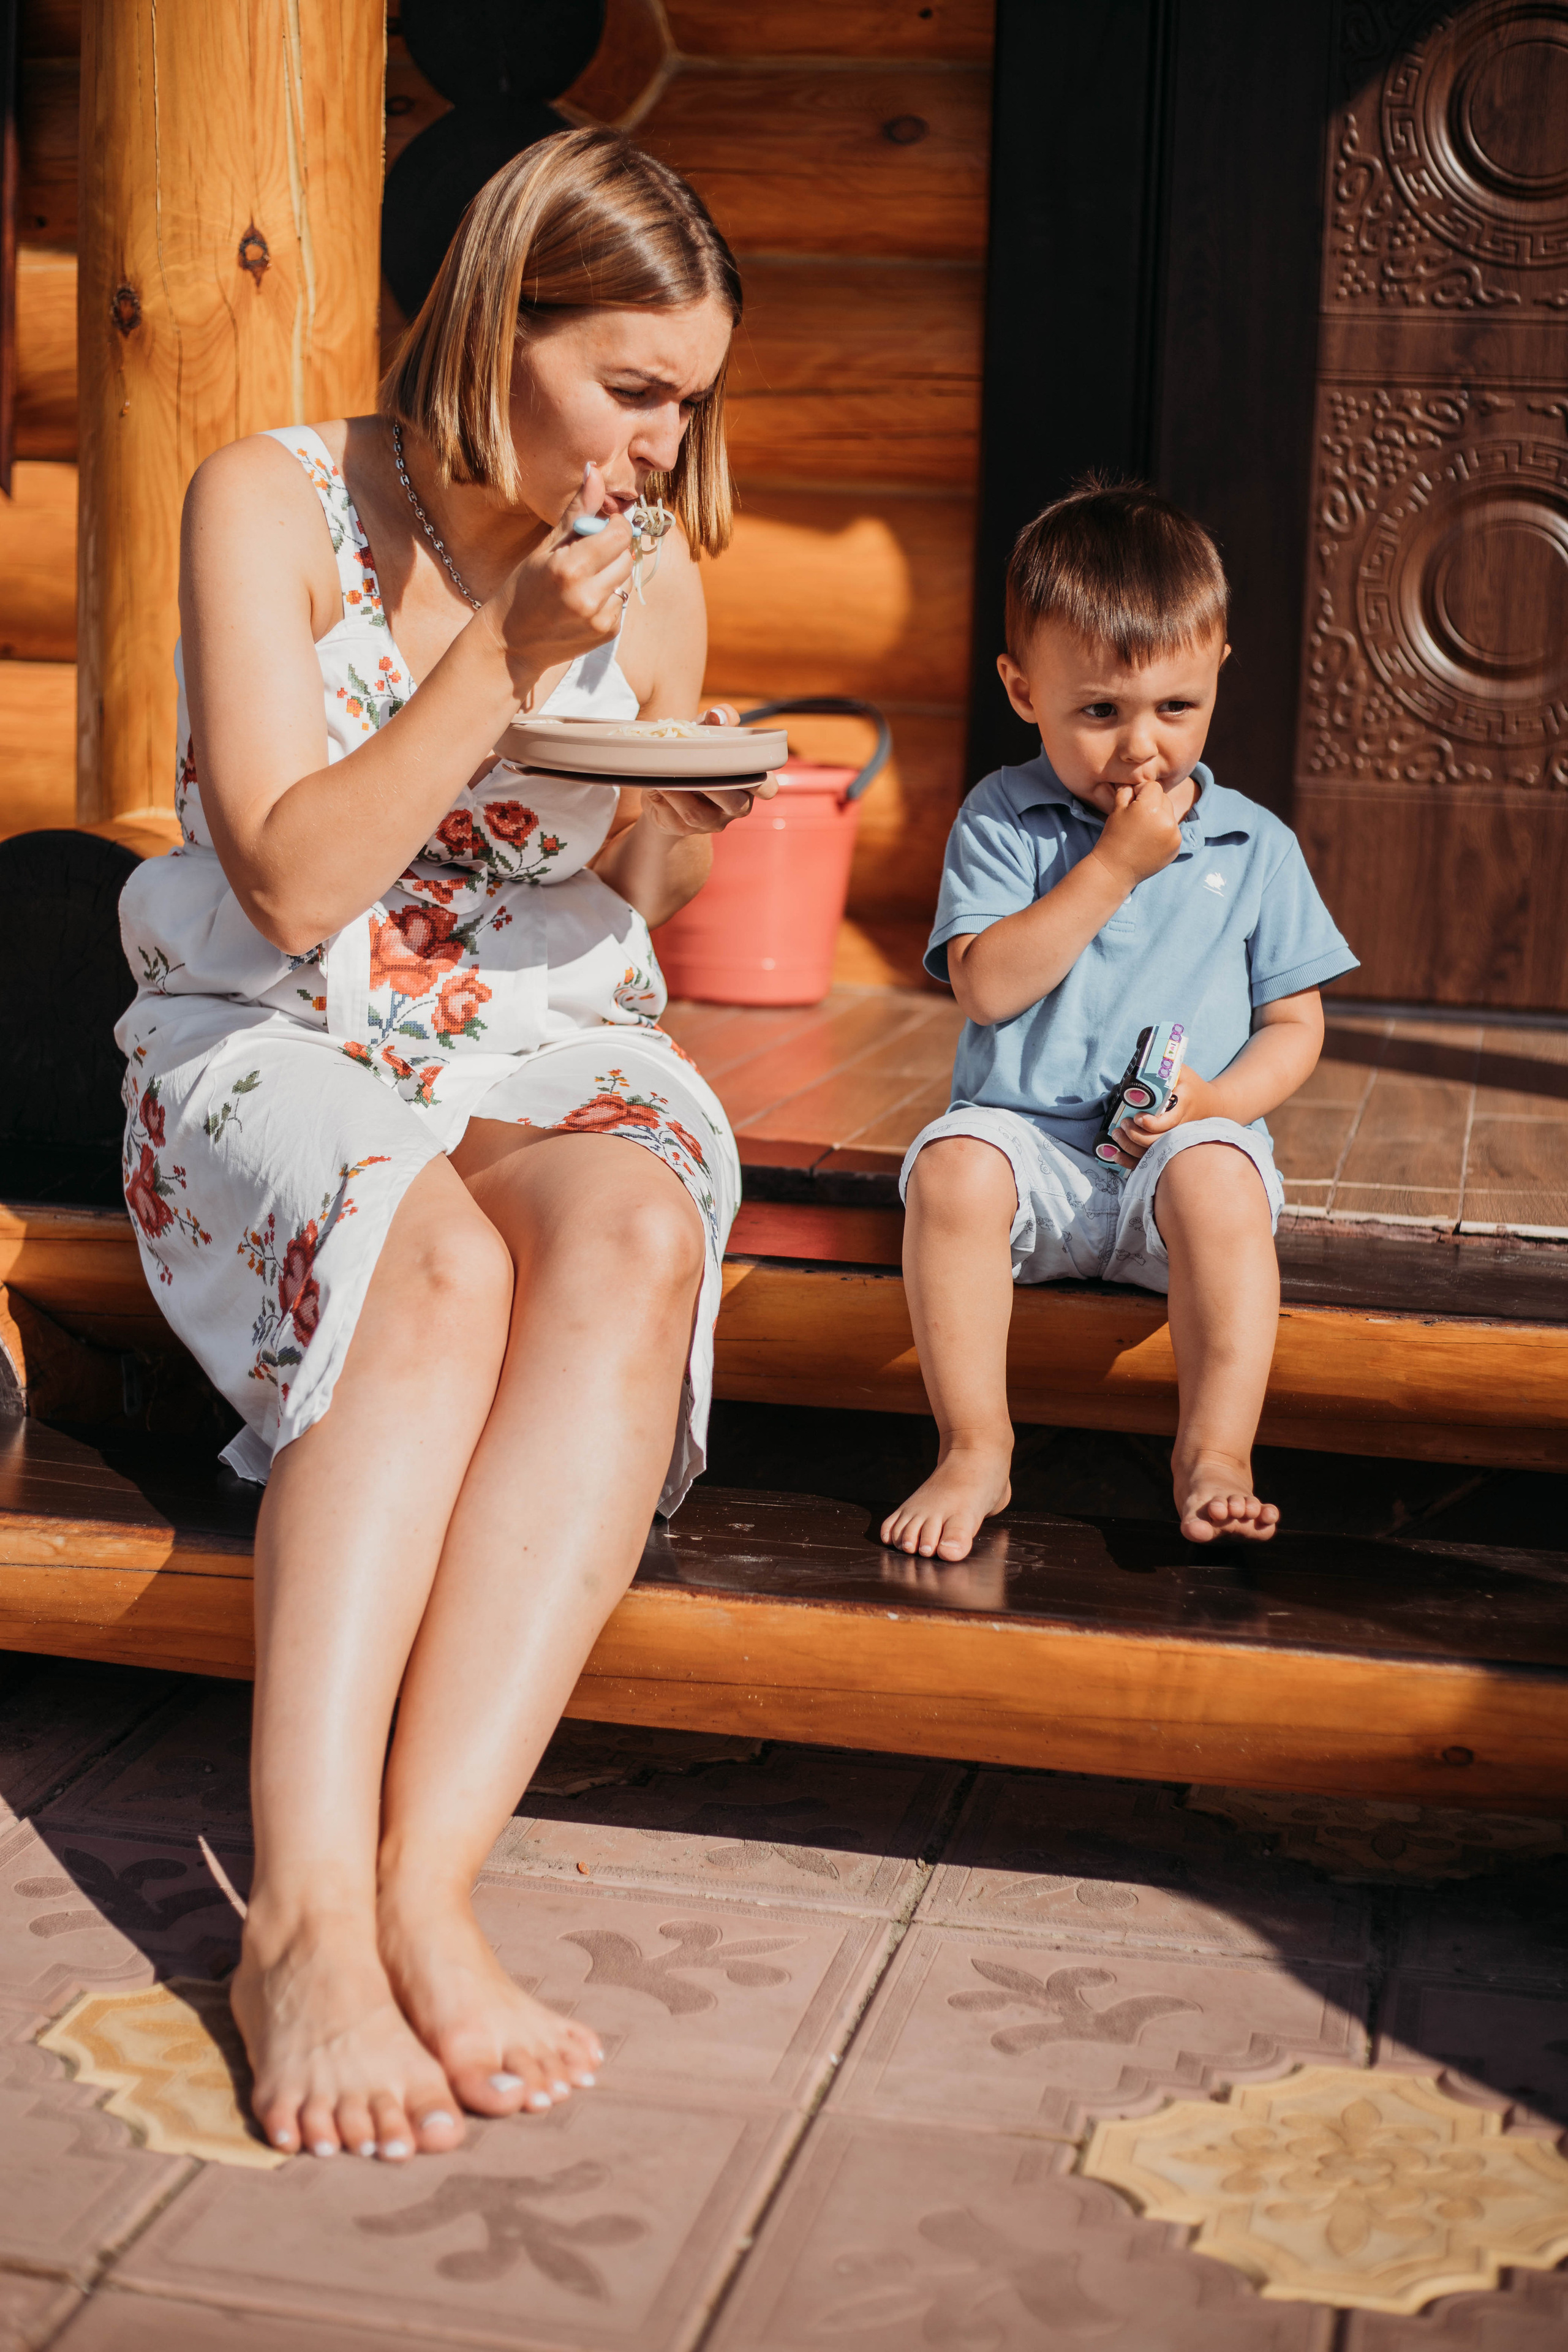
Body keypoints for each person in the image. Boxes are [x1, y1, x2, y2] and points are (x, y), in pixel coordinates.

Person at [116, 129, 767, 2163]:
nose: (667, 442)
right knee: (437, 1266)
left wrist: (682, 830)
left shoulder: (645, 569)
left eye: (693, 398)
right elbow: (295, 881)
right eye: (636, 387)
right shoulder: (274, 506)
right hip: (277, 1028)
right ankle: (301, 1922)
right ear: (506, 325)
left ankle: (428, 1888)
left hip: (538, 1032)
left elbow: (616, 884)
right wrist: (502, 657)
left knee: (637, 1229)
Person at [879, 481, 1358, 1566]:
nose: (1142, 749)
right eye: (1099, 712)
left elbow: (1296, 1025)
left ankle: (1216, 1455)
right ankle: (975, 1445)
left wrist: (1218, 1104)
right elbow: (988, 988)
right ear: (1023, 689)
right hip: (1029, 1151)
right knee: (952, 1170)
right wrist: (1110, 868)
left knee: (1221, 1177)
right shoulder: (1002, 819)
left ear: (1219, 675)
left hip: (1173, 1161)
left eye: (1175, 710)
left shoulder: (1253, 845)